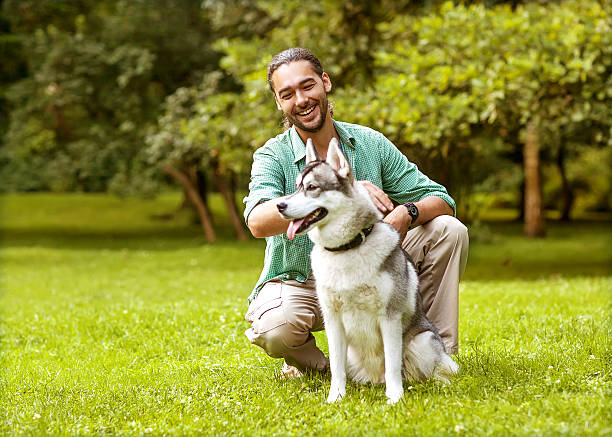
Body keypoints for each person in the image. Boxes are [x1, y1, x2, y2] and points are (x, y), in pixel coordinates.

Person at [243, 47, 468, 376]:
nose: (301, 99)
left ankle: (435, 355)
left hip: (371, 272)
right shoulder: (272, 156)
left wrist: (406, 213)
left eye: (308, 86)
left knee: (449, 230)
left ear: (325, 82)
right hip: (304, 282)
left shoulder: (369, 143)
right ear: (279, 102)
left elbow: (441, 199)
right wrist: (341, 191)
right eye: (287, 93)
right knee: (276, 329)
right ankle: (329, 368)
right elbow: (257, 222)